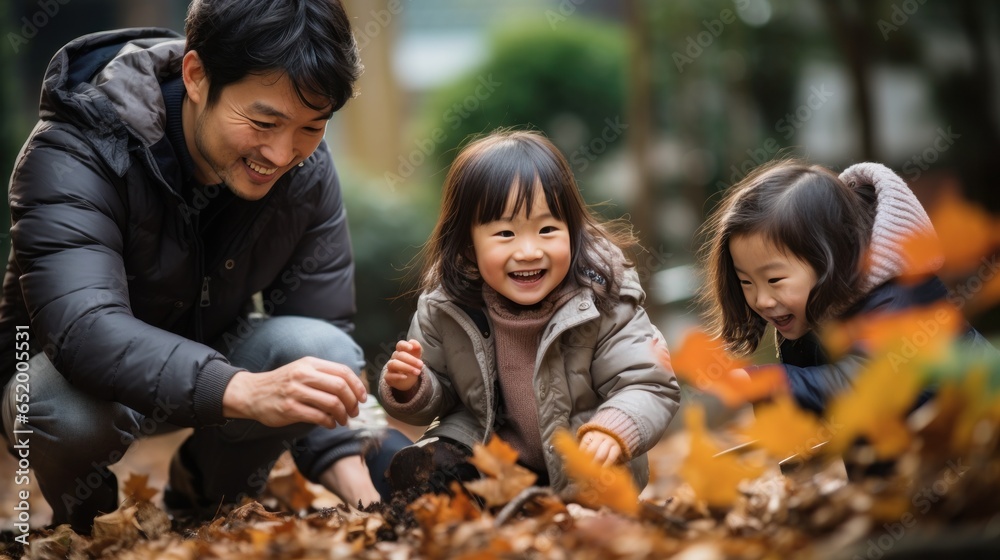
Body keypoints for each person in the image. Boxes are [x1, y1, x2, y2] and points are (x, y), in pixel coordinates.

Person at [0, 0, 407, 533]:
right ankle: (87, 524)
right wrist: (244, 391)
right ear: (196, 75)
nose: (282, 153)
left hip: (211, 369)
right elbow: (84, 332)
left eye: (312, 126)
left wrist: (366, 496)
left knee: (322, 349)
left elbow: (322, 346)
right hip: (70, 381)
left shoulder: (304, 171)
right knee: (58, 409)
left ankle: (206, 505)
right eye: (264, 121)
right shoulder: (76, 151)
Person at [376, 130, 681, 499]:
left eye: (548, 229)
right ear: (468, 247)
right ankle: (454, 507)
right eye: (505, 233)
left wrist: (613, 428)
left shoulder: (604, 299)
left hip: (584, 463)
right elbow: (440, 398)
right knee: (431, 466)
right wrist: (412, 386)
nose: (529, 250)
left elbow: (647, 381)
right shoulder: (447, 307)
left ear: (574, 231)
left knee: (595, 488)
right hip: (494, 462)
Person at [699, 159, 995, 416]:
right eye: (746, 282)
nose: (761, 299)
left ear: (830, 259)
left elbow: (863, 386)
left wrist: (765, 382)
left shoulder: (897, 301)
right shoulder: (813, 313)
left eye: (774, 280)